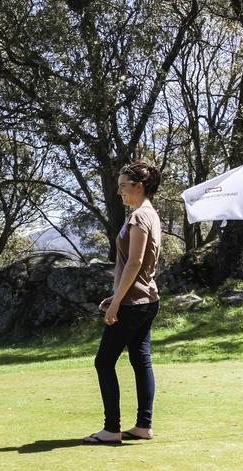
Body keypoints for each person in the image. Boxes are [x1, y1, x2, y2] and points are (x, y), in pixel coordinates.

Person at [83, 159, 162, 445]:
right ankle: (143, 425)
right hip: (146, 299)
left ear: (139, 186)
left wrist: (117, 303)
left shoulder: (140, 216)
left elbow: (135, 262)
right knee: (141, 360)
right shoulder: (150, 214)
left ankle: (111, 429)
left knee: (104, 362)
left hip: (133, 303)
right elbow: (134, 265)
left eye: (123, 186)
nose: (119, 192)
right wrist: (115, 294)